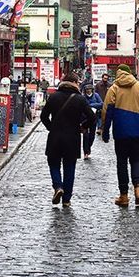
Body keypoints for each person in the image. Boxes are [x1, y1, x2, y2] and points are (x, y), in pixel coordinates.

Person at [102, 65, 139, 207]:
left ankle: (124, 196)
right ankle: (138, 189)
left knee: (121, 163)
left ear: (119, 73)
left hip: (120, 132)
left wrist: (105, 132)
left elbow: (107, 112)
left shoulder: (114, 88)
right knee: (135, 160)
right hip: (137, 131)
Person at [40, 73, 96, 207]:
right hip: (73, 137)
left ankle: (58, 186)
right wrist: (83, 127)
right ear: (74, 83)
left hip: (55, 137)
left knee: (53, 164)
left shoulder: (54, 97)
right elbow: (92, 118)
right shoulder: (80, 99)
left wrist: (51, 127)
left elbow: (43, 116)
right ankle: (66, 199)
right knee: (69, 167)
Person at [82, 84, 103, 159]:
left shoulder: (96, 95)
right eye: (87, 90)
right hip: (84, 119)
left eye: (89, 89)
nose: (88, 91)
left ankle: (88, 147)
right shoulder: (83, 97)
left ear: (92, 90)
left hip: (94, 118)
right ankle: (86, 152)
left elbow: (101, 104)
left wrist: (91, 105)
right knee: (85, 136)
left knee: (92, 136)